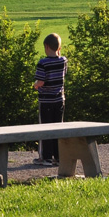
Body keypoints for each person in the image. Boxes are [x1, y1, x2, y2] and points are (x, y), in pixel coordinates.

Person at [32, 33, 67, 166]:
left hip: (46, 101)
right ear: (59, 47)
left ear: (46, 46)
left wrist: (35, 85)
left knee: (45, 128)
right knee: (58, 128)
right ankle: (58, 157)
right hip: (59, 100)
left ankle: (45, 157)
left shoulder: (43, 63)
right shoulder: (63, 61)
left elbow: (41, 81)